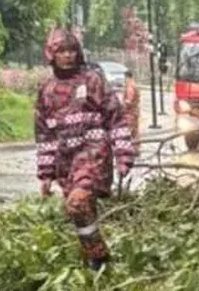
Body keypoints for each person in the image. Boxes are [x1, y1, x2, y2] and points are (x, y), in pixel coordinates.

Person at [34, 28, 135, 269]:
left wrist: (123, 154)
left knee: (76, 203)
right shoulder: (46, 90)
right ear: (51, 54)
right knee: (81, 212)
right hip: (65, 161)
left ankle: (98, 257)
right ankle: (97, 259)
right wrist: (46, 174)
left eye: (71, 51)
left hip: (93, 154)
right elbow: (45, 135)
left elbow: (116, 117)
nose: (68, 56)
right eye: (62, 51)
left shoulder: (92, 80)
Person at [122, 69, 141, 143]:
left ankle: (130, 146)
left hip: (130, 112)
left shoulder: (130, 86)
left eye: (125, 78)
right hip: (135, 111)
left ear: (127, 77)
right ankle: (136, 146)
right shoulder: (134, 84)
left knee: (129, 129)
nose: (124, 80)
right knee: (135, 130)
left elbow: (129, 101)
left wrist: (123, 106)